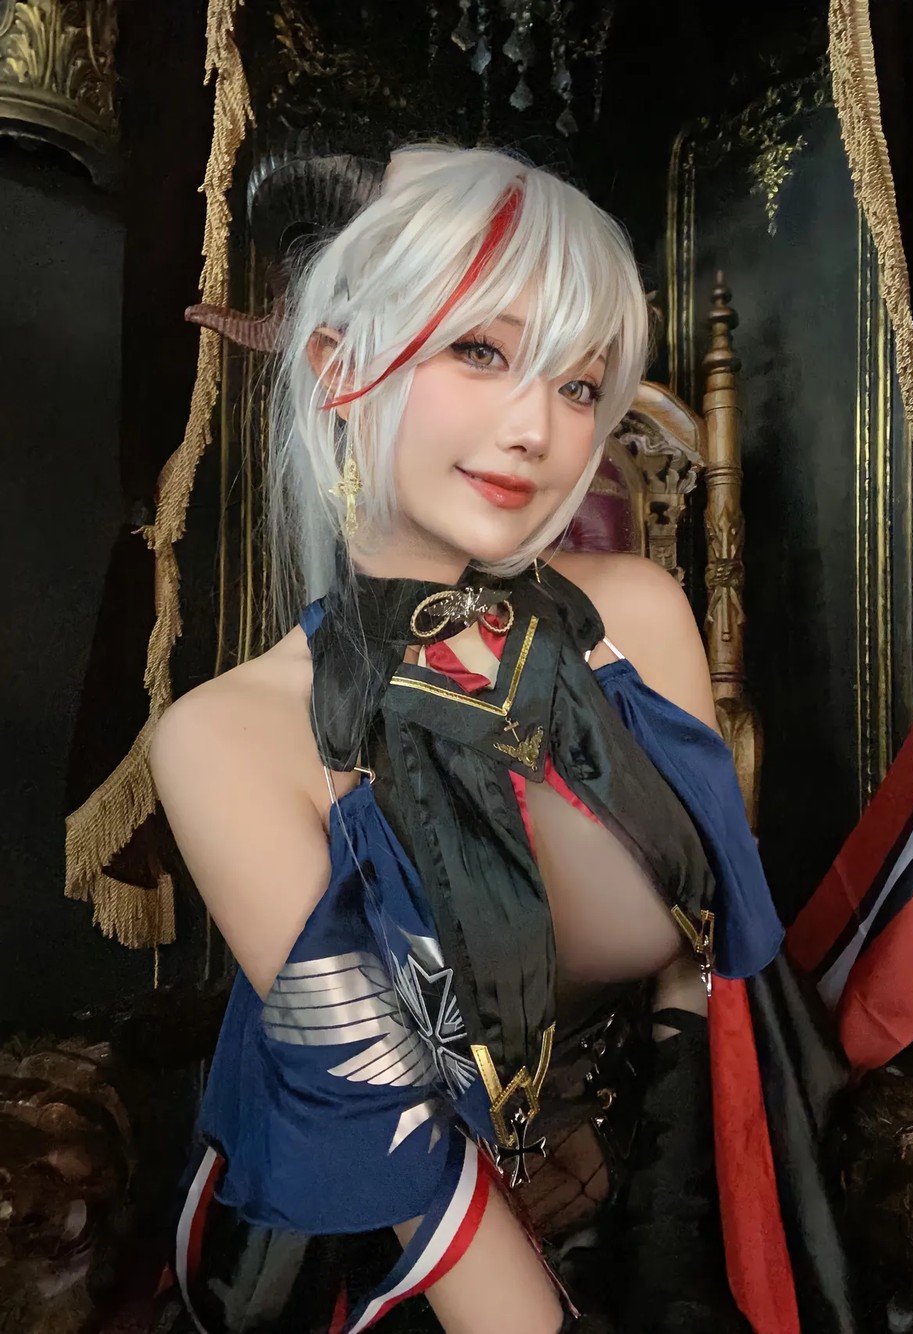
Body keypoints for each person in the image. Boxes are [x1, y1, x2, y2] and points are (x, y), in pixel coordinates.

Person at [150, 144, 855, 1334]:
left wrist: (671, 1230)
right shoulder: (227, 738)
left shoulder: (638, 620)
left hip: (684, 1191)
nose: (536, 428)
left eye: (580, 385)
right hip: (404, 1257)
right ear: (339, 370)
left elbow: (709, 954)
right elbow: (407, 1159)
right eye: (479, 350)